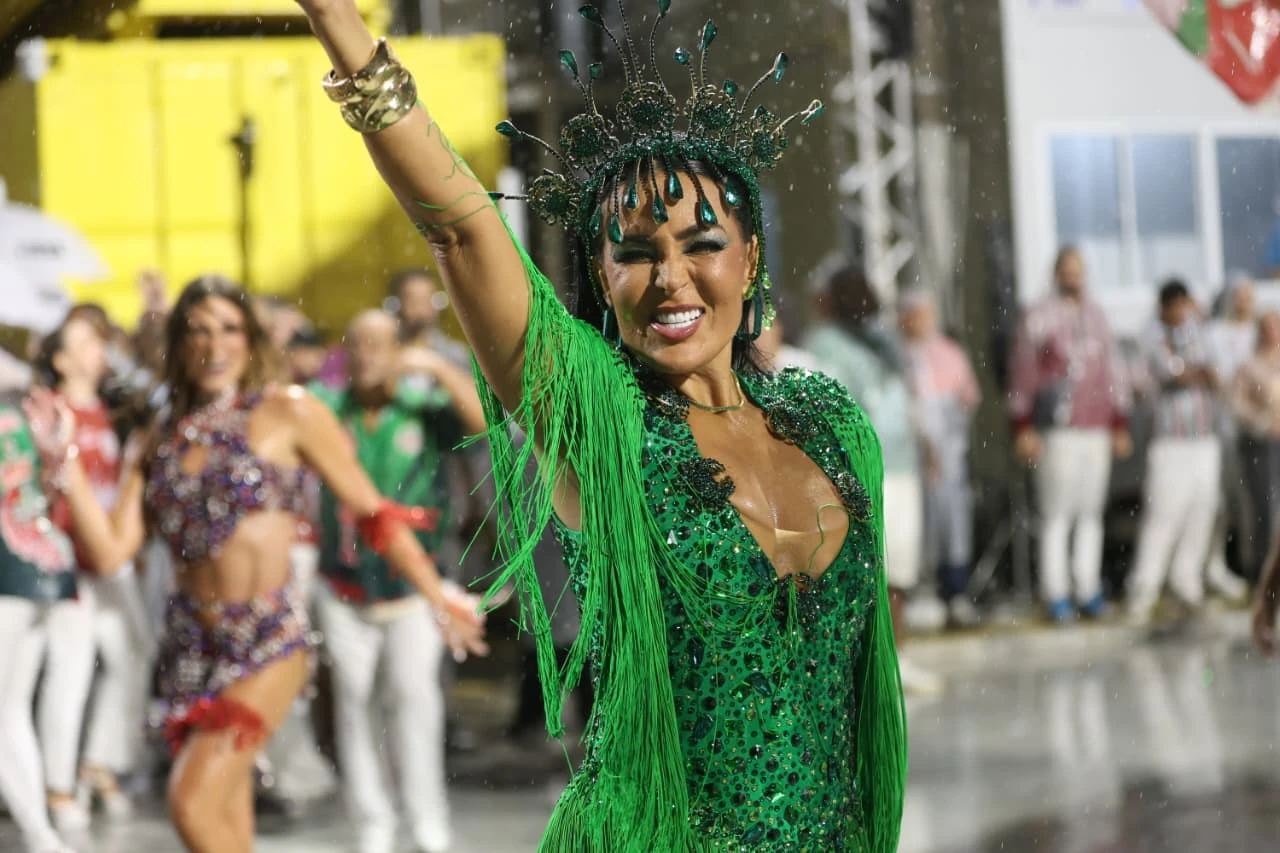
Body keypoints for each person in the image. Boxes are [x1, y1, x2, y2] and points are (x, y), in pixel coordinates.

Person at [297, 1, 906, 850]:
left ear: (752, 257)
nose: (671, 279)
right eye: (634, 252)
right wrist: (341, 25)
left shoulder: (831, 423)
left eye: (701, 243)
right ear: (600, 272)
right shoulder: (601, 424)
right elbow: (461, 232)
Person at [23, 274, 486, 853]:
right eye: (196, 331)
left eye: (227, 329)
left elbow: (373, 513)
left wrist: (436, 595)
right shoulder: (159, 437)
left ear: (249, 339)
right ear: (180, 343)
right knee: (225, 816)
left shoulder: (290, 411)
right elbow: (114, 550)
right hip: (190, 648)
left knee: (190, 802)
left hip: (268, 640)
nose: (213, 346)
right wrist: (65, 468)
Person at [311, 310, 484, 853]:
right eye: (356, 344)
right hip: (344, 583)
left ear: (398, 350)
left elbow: (483, 421)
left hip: (416, 582)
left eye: (379, 344)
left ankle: (428, 821)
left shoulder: (423, 408)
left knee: (413, 697)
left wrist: (433, 362)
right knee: (355, 700)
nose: (366, 355)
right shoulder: (326, 408)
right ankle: (373, 826)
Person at [33, 315, 153, 830]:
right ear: (60, 359)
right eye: (82, 342)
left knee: (135, 654)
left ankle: (97, 761)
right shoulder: (49, 410)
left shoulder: (110, 411)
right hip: (67, 564)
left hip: (110, 559)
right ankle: (58, 790)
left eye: (98, 340)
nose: (95, 349)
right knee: (71, 672)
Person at [803, 261, 940, 693]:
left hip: (900, 467)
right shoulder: (823, 344)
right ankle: (860, 666)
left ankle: (896, 659)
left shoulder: (885, 341)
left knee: (898, 569)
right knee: (864, 570)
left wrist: (926, 444)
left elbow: (904, 398)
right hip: (856, 477)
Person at [1008, 246, 1132, 622]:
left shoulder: (1097, 315)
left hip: (1095, 426)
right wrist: (1023, 424)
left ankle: (1088, 587)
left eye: (1080, 270)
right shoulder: (1039, 316)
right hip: (1056, 427)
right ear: (1056, 273)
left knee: (1090, 511)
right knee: (1057, 512)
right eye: (1068, 270)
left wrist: (1119, 421)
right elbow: (1023, 371)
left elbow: (1114, 369)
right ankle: (1057, 592)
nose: (1074, 277)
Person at [0, 390, 79, 853]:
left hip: (12, 568)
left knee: (7, 711)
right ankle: (42, 830)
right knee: (12, 710)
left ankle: (40, 831)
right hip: (43, 565)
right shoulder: (29, 403)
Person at [1126, 280, 1221, 624]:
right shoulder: (1151, 334)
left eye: (1187, 305)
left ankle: (1187, 583)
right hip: (1169, 441)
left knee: (1202, 511)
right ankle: (1144, 590)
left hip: (1203, 437)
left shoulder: (1201, 332)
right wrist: (1196, 372)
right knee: (1164, 515)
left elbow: (1215, 371)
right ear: (1165, 306)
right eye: (1177, 306)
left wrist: (1196, 372)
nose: (1183, 312)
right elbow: (1171, 372)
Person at [899, 287, 983, 628]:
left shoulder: (948, 353)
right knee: (922, 523)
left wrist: (948, 434)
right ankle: (924, 589)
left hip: (949, 453)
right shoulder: (898, 355)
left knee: (954, 520)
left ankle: (957, 590)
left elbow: (968, 398)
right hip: (912, 456)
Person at [1233, 311, 1280, 581]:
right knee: (1265, 507)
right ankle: (1263, 571)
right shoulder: (1250, 366)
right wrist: (1265, 423)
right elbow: (1239, 407)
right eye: (1269, 326)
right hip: (1262, 445)